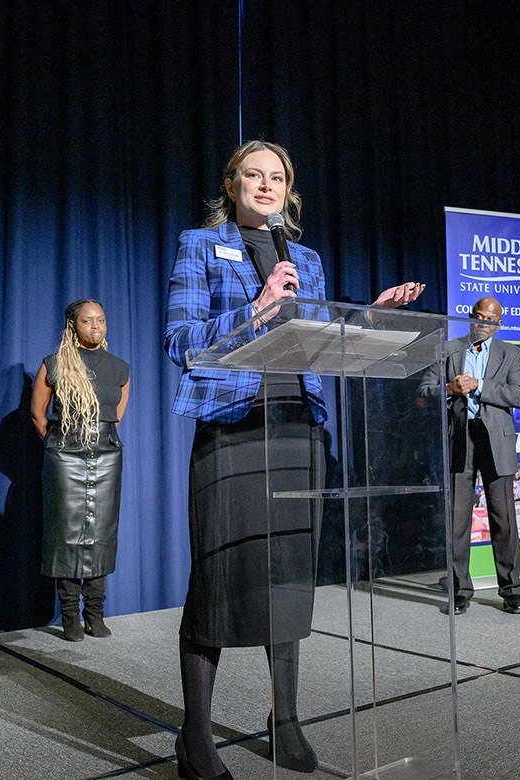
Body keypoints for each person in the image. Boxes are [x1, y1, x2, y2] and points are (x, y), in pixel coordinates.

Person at [163, 139, 422, 780]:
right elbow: (180, 341)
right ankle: (196, 735)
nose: (266, 184)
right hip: (232, 429)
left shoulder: (302, 256)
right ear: (230, 185)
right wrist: (255, 310)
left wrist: (363, 318)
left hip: (296, 430)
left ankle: (288, 718)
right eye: (252, 174)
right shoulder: (198, 245)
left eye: (276, 176)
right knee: (220, 579)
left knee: (287, 582)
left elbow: (314, 339)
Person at [419, 296, 520, 615]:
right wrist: (451, 388)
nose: (484, 325)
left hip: (496, 441)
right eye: (480, 317)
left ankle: (511, 591)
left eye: (491, 321)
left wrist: (479, 385)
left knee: (503, 519)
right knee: (457, 521)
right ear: (470, 316)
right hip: (460, 440)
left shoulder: (510, 353)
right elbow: (424, 392)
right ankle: (459, 590)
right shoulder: (448, 349)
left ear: (500, 324)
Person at [30, 299, 130, 642]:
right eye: (88, 321)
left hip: (106, 454)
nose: (96, 326)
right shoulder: (54, 364)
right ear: (73, 325)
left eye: (101, 320)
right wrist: (61, 445)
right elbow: (38, 414)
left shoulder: (119, 367)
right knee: (67, 536)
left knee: (101, 534)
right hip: (65, 456)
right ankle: (70, 616)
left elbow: (116, 414)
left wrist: (96, 439)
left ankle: (95, 613)